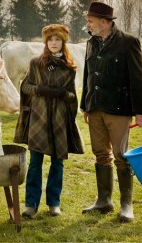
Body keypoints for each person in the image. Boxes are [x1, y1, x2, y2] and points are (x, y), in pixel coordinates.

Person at [80, 1, 142, 223]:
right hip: (95, 107)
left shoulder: (128, 42)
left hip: (119, 108)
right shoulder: (91, 42)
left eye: (90, 21)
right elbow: (87, 76)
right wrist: (85, 104)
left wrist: (141, 111)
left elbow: (138, 77)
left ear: (104, 22)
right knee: (101, 153)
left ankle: (126, 205)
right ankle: (104, 200)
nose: (88, 24)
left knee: (120, 156)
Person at [14, 24, 85, 218]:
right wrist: (41, 90)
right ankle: (31, 204)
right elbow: (25, 87)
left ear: (63, 42)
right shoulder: (36, 63)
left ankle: (54, 203)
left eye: (58, 40)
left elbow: (72, 95)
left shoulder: (70, 68)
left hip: (60, 119)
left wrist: (64, 95)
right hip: (39, 117)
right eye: (50, 40)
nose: (54, 43)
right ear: (46, 42)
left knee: (57, 163)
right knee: (35, 162)